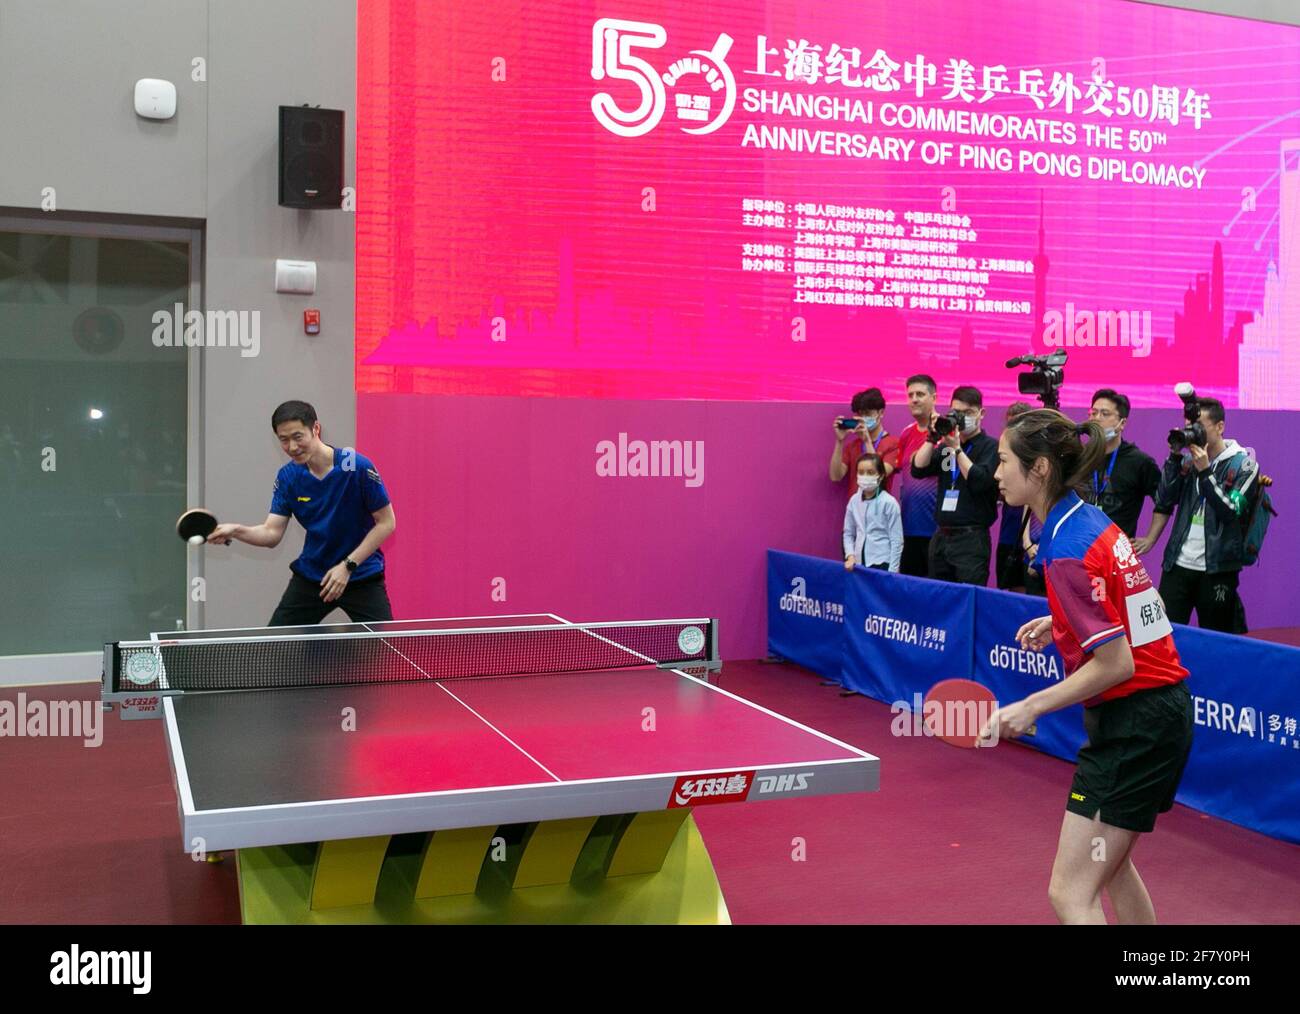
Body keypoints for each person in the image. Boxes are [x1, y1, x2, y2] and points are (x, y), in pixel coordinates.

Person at [986, 409, 1192, 925]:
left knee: (1069, 893)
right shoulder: (1086, 520)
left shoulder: (1068, 549)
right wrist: (1059, 618)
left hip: (1136, 725)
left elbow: (1116, 663)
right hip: (1154, 717)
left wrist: (1030, 705)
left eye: (1005, 460)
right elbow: (1127, 607)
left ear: (1039, 470)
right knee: (1112, 869)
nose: (996, 472)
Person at [209, 400, 398, 625]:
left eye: (298, 437)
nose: (292, 447)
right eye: (284, 440)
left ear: (315, 429)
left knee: (384, 648)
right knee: (277, 647)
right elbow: (271, 533)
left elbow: (386, 523)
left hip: (361, 575)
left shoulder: (356, 466)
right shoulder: (288, 477)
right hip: (313, 576)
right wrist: (235, 530)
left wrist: (347, 566)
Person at [1151, 398, 1259, 633]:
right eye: (1189, 427)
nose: (1192, 433)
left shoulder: (1245, 465)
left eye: (1198, 427)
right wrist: (1174, 457)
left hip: (1217, 569)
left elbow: (1231, 511)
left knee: (1217, 638)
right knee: (1162, 636)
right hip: (1177, 565)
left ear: (1219, 427)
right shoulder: (1187, 460)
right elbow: (1165, 498)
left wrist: (1206, 472)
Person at [910, 385, 999, 585]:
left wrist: (957, 449)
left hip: (971, 539)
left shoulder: (990, 447)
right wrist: (932, 437)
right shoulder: (945, 447)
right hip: (942, 536)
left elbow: (979, 480)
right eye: (957, 412)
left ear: (981, 413)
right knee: (939, 597)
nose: (962, 418)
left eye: (968, 413)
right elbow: (918, 468)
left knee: (968, 598)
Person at [1085, 389, 1164, 551]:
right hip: (1080, 548)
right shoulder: (1081, 456)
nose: (1096, 419)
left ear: (1123, 423)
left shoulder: (1139, 462)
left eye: (1105, 414)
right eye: (1093, 413)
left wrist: (1150, 539)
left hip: (1117, 553)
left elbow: (1164, 501)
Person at [893, 375, 941, 576]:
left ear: (934, 398)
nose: (914, 399)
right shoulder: (906, 434)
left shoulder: (945, 433)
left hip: (937, 531)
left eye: (920, 394)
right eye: (910, 395)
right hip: (908, 529)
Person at [829, 387, 900, 497]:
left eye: (867, 413)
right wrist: (840, 441)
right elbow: (835, 476)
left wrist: (867, 441)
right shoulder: (852, 446)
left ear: (881, 413)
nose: (863, 418)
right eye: (860, 414)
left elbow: (880, 474)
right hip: (855, 509)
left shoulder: (894, 444)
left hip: (879, 509)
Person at [995, 402, 1034, 592]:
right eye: (1010, 425)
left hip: (1031, 540)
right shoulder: (1003, 455)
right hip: (1007, 536)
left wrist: (1027, 542)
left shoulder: (1035, 459)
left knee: (1029, 594)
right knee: (1006, 592)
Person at [842, 453, 903, 573]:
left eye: (870, 472)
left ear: (880, 475)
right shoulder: (854, 501)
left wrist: (893, 570)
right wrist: (850, 555)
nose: (865, 476)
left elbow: (896, 540)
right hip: (858, 564)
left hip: (882, 563)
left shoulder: (889, 503)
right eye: (861, 472)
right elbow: (848, 533)